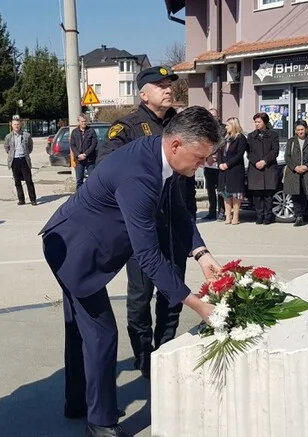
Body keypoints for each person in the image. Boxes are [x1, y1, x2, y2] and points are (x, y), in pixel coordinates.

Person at [40, 107, 222, 437]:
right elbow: (148, 256)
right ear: (178, 144)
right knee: (102, 334)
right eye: (200, 158)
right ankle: (101, 424)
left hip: (76, 241)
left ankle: (78, 401)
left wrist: (201, 254)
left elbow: (177, 210)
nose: (203, 165)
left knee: (79, 328)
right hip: (75, 252)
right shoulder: (140, 175)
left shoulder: (161, 155)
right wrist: (194, 303)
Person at [93, 66, 195, 378]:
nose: (168, 89)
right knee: (140, 297)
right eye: (160, 85)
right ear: (143, 93)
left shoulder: (180, 126)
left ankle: (164, 352)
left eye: (170, 85)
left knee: (173, 292)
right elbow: (105, 166)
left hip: (175, 223)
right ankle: (143, 355)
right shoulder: (126, 127)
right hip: (142, 228)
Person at [284, 120, 308, 228]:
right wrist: (295, 167)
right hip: (294, 172)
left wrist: (306, 166)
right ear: (295, 131)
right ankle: (299, 217)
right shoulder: (291, 141)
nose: (300, 132)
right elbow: (287, 157)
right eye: (298, 130)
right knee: (296, 195)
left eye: (302, 129)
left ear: (306, 129)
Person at [246, 113, 279, 225]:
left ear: (265, 122)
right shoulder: (251, 136)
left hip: (268, 167)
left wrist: (264, 161)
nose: (257, 124)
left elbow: (275, 151)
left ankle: (267, 217)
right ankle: (259, 216)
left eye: (259, 122)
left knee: (268, 195)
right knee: (257, 195)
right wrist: (256, 162)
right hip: (255, 169)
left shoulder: (273, 135)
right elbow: (249, 152)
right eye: (255, 122)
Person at [216, 117, 247, 224]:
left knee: (235, 194)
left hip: (235, 170)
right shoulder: (225, 138)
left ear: (234, 126)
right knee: (226, 194)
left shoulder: (240, 138)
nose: (226, 127)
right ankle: (227, 216)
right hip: (223, 170)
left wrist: (227, 164)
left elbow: (239, 154)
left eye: (228, 125)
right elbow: (219, 152)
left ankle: (236, 216)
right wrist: (220, 164)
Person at [4, 119, 38, 205]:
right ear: (12, 125)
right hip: (14, 161)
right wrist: (11, 154)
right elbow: (6, 147)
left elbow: (30, 147)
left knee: (28, 180)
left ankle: (33, 199)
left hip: (24, 160)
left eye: (18, 124)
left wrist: (25, 153)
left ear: (20, 125)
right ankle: (21, 199)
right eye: (14, 124)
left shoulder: (26, 135)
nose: (16, 126)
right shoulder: (8, 136)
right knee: (17, 181)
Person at [201, 108, 222, 220]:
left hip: (219, 165)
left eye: (214, 116)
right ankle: (212, 211)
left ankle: (222, 211)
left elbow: (222, 143)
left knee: (220, 190)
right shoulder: (205, 129)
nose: (212, 118)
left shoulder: (222, 128)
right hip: (208, 164)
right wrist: (207, 156)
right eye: (210, 116)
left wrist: (215, 156)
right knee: (210, 189)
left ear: (218, 117)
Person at [70, 114, 98, 189]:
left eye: (85, 121)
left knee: (92, 179)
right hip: (79, 160)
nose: (84, 123)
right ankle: (79, 197)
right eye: (82, 121)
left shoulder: (91, 131)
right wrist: (78, 155)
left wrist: (85, 154)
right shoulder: (74, 132)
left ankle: (91, 195)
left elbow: (94, 144)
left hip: (90, 159)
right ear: (78, 122)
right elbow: (72, 145)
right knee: (79, 180)